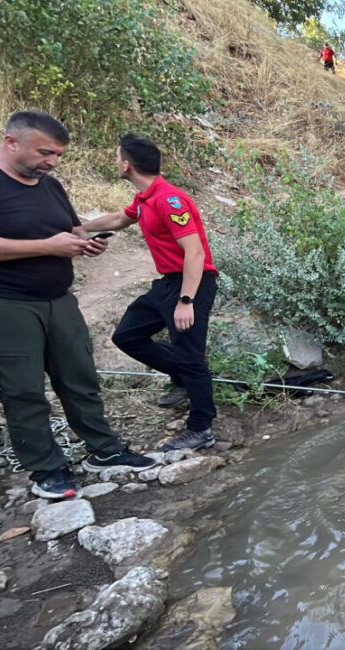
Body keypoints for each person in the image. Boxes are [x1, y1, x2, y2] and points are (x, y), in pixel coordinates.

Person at [0, 111, 156, 499]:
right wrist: (46, 247)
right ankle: (46, 469)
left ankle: (104, 450)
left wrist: (87, 242)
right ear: (11, 142)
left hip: (60, 300)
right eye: (45, 152)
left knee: (80, 378)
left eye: (58, 155)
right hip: (9, 305)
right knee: (23, 390)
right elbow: (46, 242)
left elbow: (71, 229)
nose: (52, 162)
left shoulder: (49, 186)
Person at [82, 134, 220, 452]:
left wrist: (187, 301)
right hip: (166, 284)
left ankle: (201, 428)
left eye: (117, 157)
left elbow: (195, 253)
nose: (116, 162)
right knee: (127, 336)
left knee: (191, 356)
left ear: (127, 165)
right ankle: (182, 379)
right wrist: (80, 227)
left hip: (192, 284)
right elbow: (118, 219)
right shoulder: (145, 199)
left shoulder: (169, 200)